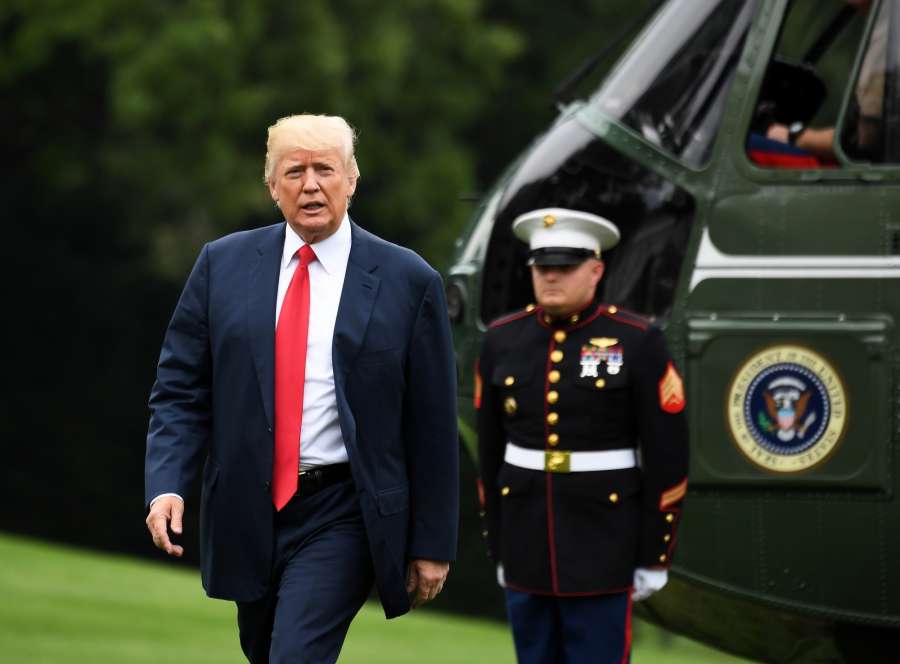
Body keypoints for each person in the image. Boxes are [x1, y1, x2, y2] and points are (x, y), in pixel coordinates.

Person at [144, 113, 459, 663]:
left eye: (324, 169)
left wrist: (432, 543)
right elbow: (179, 389)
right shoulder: (223, 265)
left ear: (352, 178)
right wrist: (167, 483)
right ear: (271, 186)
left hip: (344, 510)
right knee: (264, 652)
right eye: (294, 171)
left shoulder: (409, 282)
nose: (310, 184)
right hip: (247, 505)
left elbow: (432, 423)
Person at [475, 208, 689, 664]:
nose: (551, 277)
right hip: (526, 539)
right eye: (541, 267)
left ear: (596, 270)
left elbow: (667, 455)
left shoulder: (637, 341)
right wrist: (499, 541)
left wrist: (655, 554)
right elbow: (490, 452)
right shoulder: (501, 341)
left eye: (565, 267)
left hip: (604, 544)